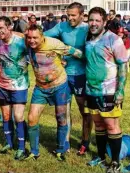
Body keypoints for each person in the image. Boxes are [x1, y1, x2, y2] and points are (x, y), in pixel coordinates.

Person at [24, 24, 83, 161]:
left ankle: (61, 150)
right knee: (32, 118)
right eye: (29, 37)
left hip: (59, 86)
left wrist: (87, 60)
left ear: (42, 36)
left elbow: (74, 52)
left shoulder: (54, 43)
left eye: (35, 38)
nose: (32, 40)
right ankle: (34, 151)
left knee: (61, 118)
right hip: (40, 88)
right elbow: (14, 35)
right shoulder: (26, 42)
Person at [44, 2, 93, 156]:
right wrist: (58, 54)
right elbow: (42, 38)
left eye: (73, 15)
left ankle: (85, 141)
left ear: (82, 15)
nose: (70, 18)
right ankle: (64, 142)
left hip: (81, 76)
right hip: (63, 75)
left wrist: (75, 53)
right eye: (68, 14)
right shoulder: (61, 26)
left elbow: (92, 56)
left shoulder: (88, 29)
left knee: (84, 110)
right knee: (63, 110)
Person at [85, 7, 128, 173]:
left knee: (111, 125)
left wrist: (120, 90)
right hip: (91, 90)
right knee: (98, 124)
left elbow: (123, 65)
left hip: (109, 91)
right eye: (91, 20)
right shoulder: (88, 38)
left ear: (104, 22)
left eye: (97, 20)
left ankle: (116, 162)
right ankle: (101, 157)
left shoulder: (114, 39)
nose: (93, 23)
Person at [0, 16, 29, 160]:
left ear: (10, 27)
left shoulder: (22, 42)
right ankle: (9, 143)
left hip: (19, 85)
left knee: (19, 116)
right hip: (2, 84)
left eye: (1, 28)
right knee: (6, 116)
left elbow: (37, 50)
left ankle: (21, 148)